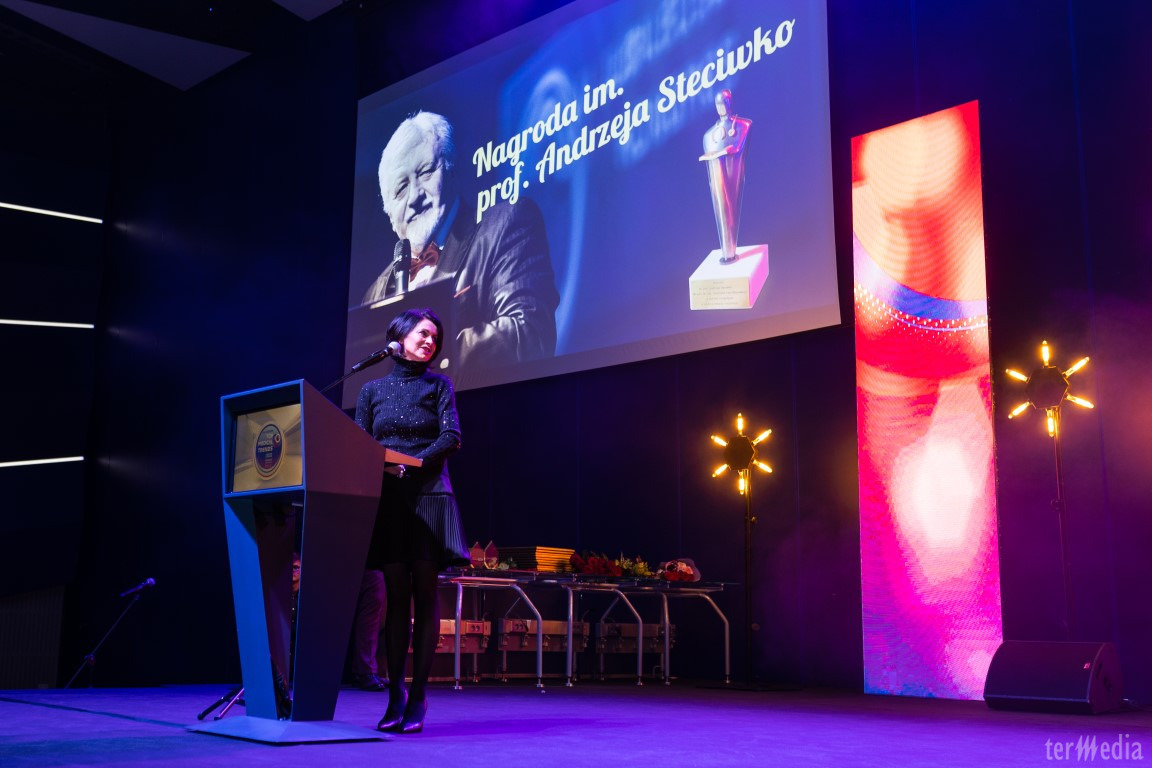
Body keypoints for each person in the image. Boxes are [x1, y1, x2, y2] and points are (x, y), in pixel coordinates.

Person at [361, 111, 559, 374]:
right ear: (389, 214)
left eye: (425, 172)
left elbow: (529, 334)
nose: (414, 197)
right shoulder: (375, 292)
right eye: (400, 189)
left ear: (452, 170)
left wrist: (422, 357)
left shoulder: (506, 224)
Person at [355, 307, 470, 735]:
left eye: (435, 338)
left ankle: (419, 695)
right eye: (423, 333)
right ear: (399, 336)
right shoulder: (371, 390)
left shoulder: (439, 385)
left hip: (428, 494)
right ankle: (395, 696)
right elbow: (360, 443)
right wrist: (386, 467)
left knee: (425, 594)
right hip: (389, 499)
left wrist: (414, 462)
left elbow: (451, 436)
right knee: (395, 599)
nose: (430, 342)